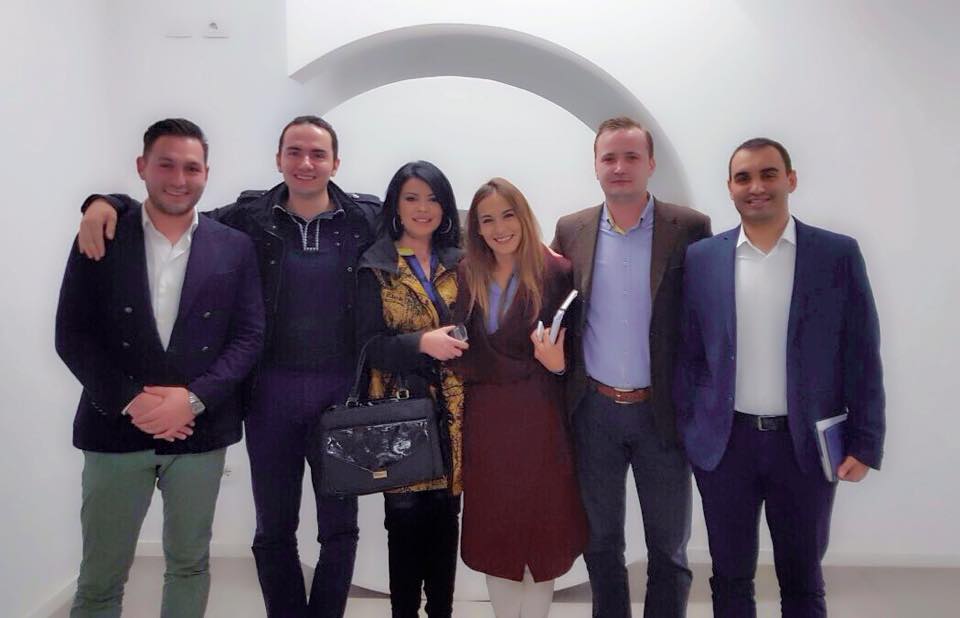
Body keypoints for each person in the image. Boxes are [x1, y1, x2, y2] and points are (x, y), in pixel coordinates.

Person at [74, 116, 380, 618]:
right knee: (274, 527)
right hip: (269, 398)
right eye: (294, 152)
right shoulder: (248, 217)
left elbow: (426, 223)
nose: (305, 163)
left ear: (335, 163)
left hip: (342, 396)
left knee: (340, 527)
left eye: (317, 154)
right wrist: (106, 203)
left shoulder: (366, 219)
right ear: (278, 158)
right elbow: (174, 206)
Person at [56, 118, 265, 617]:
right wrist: (133, 401)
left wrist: (191, 400)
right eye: (166, 165)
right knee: (101, 574)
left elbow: (249, 336)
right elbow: (72, 334)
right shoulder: (103, 234)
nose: (179, 178)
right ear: (142, 167)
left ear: (206, 173)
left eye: (192, 168)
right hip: (114, 426)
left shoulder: (233, 245)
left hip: (199, 428)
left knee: (189, 564)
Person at [674, 138, 885, 617]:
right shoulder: (703, 259)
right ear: (730, 187)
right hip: (726, 447)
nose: (756, 187)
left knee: (803, 580)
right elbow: (689, 354)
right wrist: (692, 429)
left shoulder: (835, 255)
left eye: (768, 174)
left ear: (791, 179)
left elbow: (861, 354)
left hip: (803, 446)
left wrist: (865, 441)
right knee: (729, 578)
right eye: (743, 178)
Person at [550, 116, 711, 617]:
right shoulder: (571, 230)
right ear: (595, 165)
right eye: (609, 158)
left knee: (669, 548)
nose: (619, 167)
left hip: (661, 413)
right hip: (594, 412)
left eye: (631, 157)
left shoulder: (690, 228)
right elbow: (557, 310)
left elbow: (704, 319)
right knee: (600, 542)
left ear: (650, 164)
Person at [452, 177, 587, 618]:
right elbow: (462, 347)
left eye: (508, 215)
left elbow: (577, 355)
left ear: (524, 217)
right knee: (497, 532)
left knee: (543, 529)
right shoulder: (467, 272)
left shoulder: (556, 272)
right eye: (487, 220)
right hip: (487, 420)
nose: (499, 228)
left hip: (539, 415)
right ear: (476, 228)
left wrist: (559, 365)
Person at [356, 160, 466, 618]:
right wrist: (421, 343)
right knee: (403, 524)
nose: (423, 208)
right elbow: (367, 347)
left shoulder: (460, 261)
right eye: (412, 198)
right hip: (398, 416)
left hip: (455, 416)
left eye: (433, 198)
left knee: (445, 524)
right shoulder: (377, 264)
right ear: (396, 206)